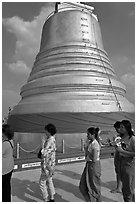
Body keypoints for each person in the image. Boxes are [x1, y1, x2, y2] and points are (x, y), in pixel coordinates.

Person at [79, 127, 101, 202]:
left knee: (94, 187)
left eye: (88, 134)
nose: (87, 136)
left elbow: (94, 158)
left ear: (93, 134)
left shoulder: (95, 145)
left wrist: (87, 151)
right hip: (89, 165)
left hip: (93, 166)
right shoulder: (90, 143)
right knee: (83, 186)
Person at [116, 120, 135, 202]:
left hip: (129, 165)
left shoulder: (132, 139)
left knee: (129, 189)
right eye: (120, 127)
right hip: (122, 164)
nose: (120, 129)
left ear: (127, 128)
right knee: (125, 189)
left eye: (122, 127)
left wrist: (122, 151)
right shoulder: (121, 138)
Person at [39, 123, 57, 202]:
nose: (45, 132)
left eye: (46, 131)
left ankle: (46, 198)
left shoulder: (48, 141)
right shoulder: (53, 139)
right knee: (49, 180)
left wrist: (42, 144)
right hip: (51, 164)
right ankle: (52, 197)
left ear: (49, 131)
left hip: (46, 165)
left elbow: (44, 154)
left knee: (42, 183)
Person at [2, 124, 14, 202]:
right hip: (9, 168)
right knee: (6, 187)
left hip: (4, 170)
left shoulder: (4, 144)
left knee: (3, 190)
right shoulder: (11, 141)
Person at [110, 121, 122, 193]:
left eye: (116, 129)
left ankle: (119, 188)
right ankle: (120, 186)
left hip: (120, 155)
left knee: (119, 172)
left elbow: (119, 145)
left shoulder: (121, 136)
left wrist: (113, 143)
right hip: (120, 154)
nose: (116, 130)